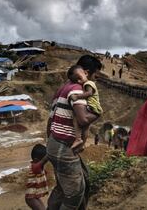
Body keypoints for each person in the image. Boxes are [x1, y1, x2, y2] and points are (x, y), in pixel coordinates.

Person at [46, 55, 102, 210]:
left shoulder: (62, 89)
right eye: (95, 76)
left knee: (64, 187)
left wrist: (50, 141)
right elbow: (83, 120)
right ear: (86, 72)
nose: (95, 80)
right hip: (63, 147)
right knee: (74, 194)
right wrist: (98, 114)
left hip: (54, 143)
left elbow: (50, 120)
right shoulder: (77, 89)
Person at [67, 65, 103, 149]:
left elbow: (89, 93)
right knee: (85, 127)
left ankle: (78, 139)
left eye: (80, 78)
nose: (79, 81)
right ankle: (81, 144)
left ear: (86, 73)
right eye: (76, 80)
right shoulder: (86, 83)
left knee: (76, 117)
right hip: (93, 109)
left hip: (93, 108)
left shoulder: (88, 83)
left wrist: (77, 97)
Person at [25, 144, 49, 210]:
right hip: (31, 197)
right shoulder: (34, 167)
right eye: (43, 160)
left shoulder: (38, 167)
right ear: (36, 160)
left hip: (34, 196)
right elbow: (41, 163)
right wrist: (48, 156)